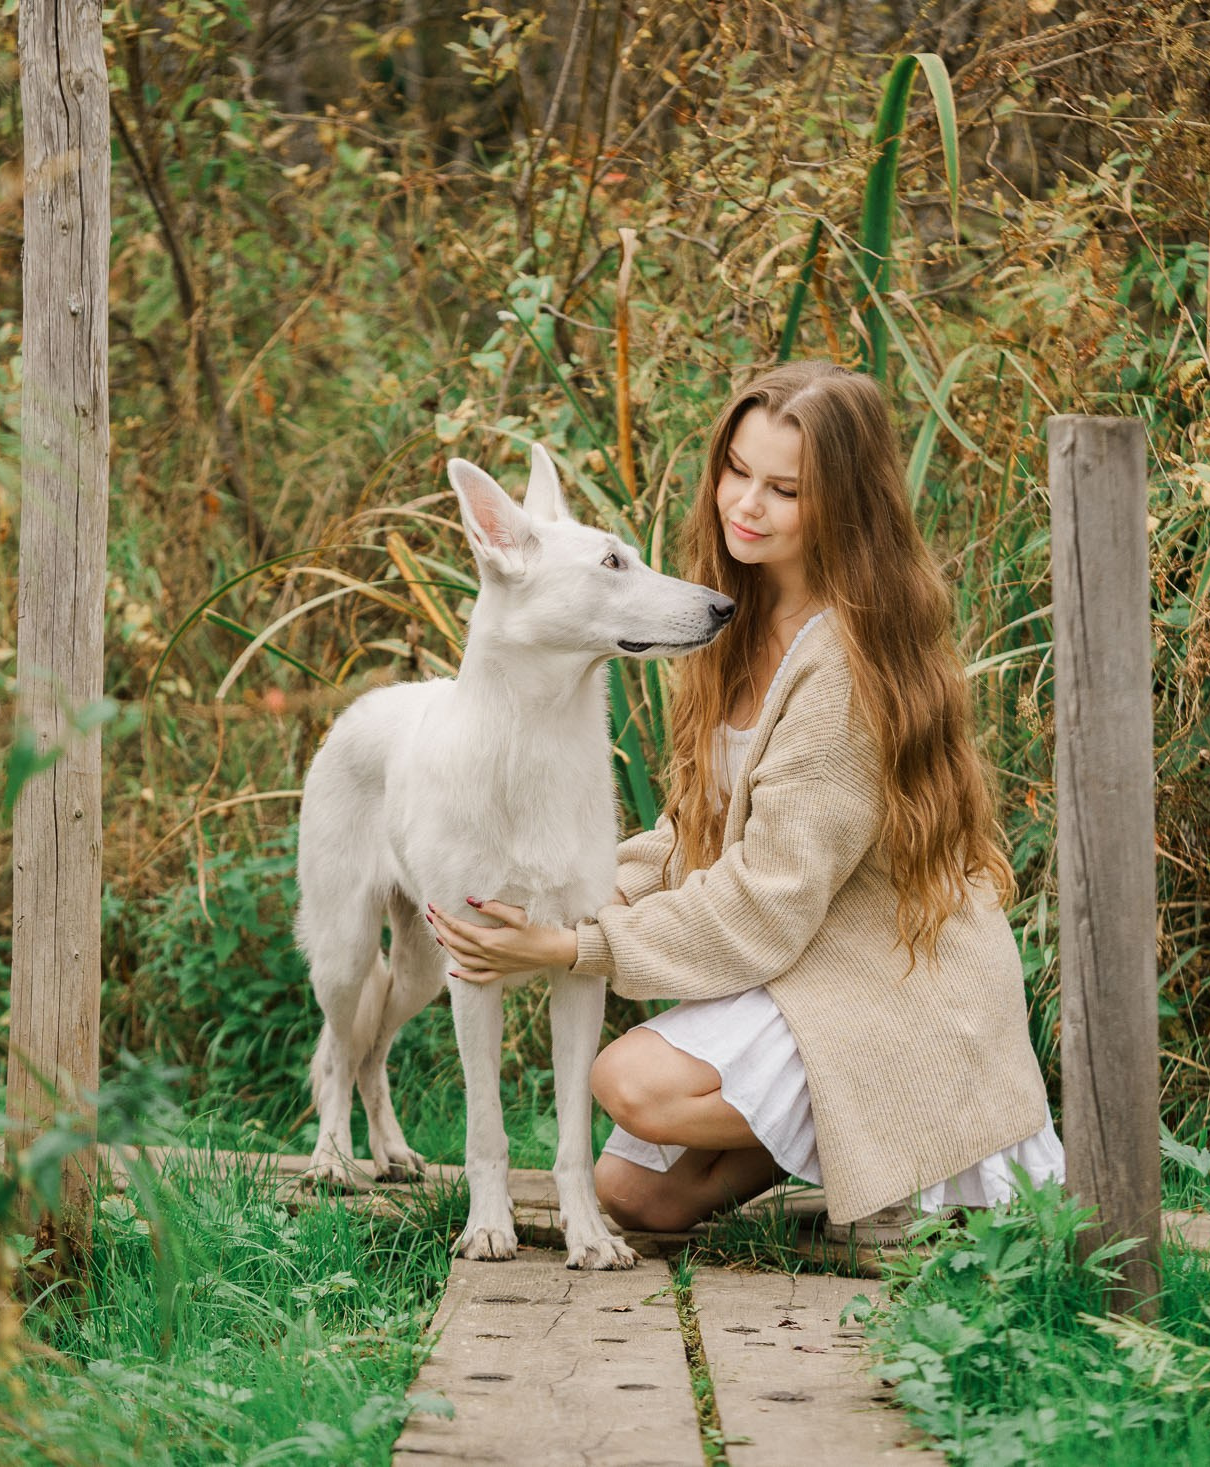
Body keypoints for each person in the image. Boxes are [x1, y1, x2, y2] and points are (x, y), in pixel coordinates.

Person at [425, 359, 1062, 1244]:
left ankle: (912, 1157)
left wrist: (577, 944)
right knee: (635, 1194)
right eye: (737, 471)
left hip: (890, 985)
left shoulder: (842, 666)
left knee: (628, 1082)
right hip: (807, 963)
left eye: (784, 489)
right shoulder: (735, 618)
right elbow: (692, 831)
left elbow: (769, 896)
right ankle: (850, 1154)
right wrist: (569, 893)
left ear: (842, 504)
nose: (747, 505)